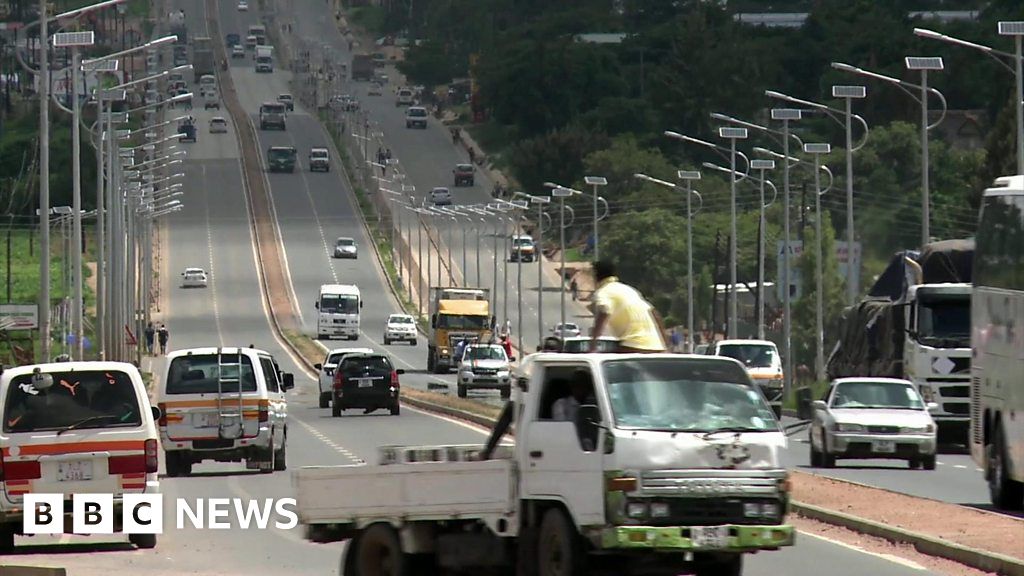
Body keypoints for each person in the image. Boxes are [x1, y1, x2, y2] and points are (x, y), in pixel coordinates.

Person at [589, 260, 667, 353]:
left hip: (632, 345)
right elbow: (655, 314)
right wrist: (666, 346)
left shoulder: (603, 292)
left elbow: (605, 311)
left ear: (595, 275)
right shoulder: (630, 290)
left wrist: (593, 344)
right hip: (656, 347)